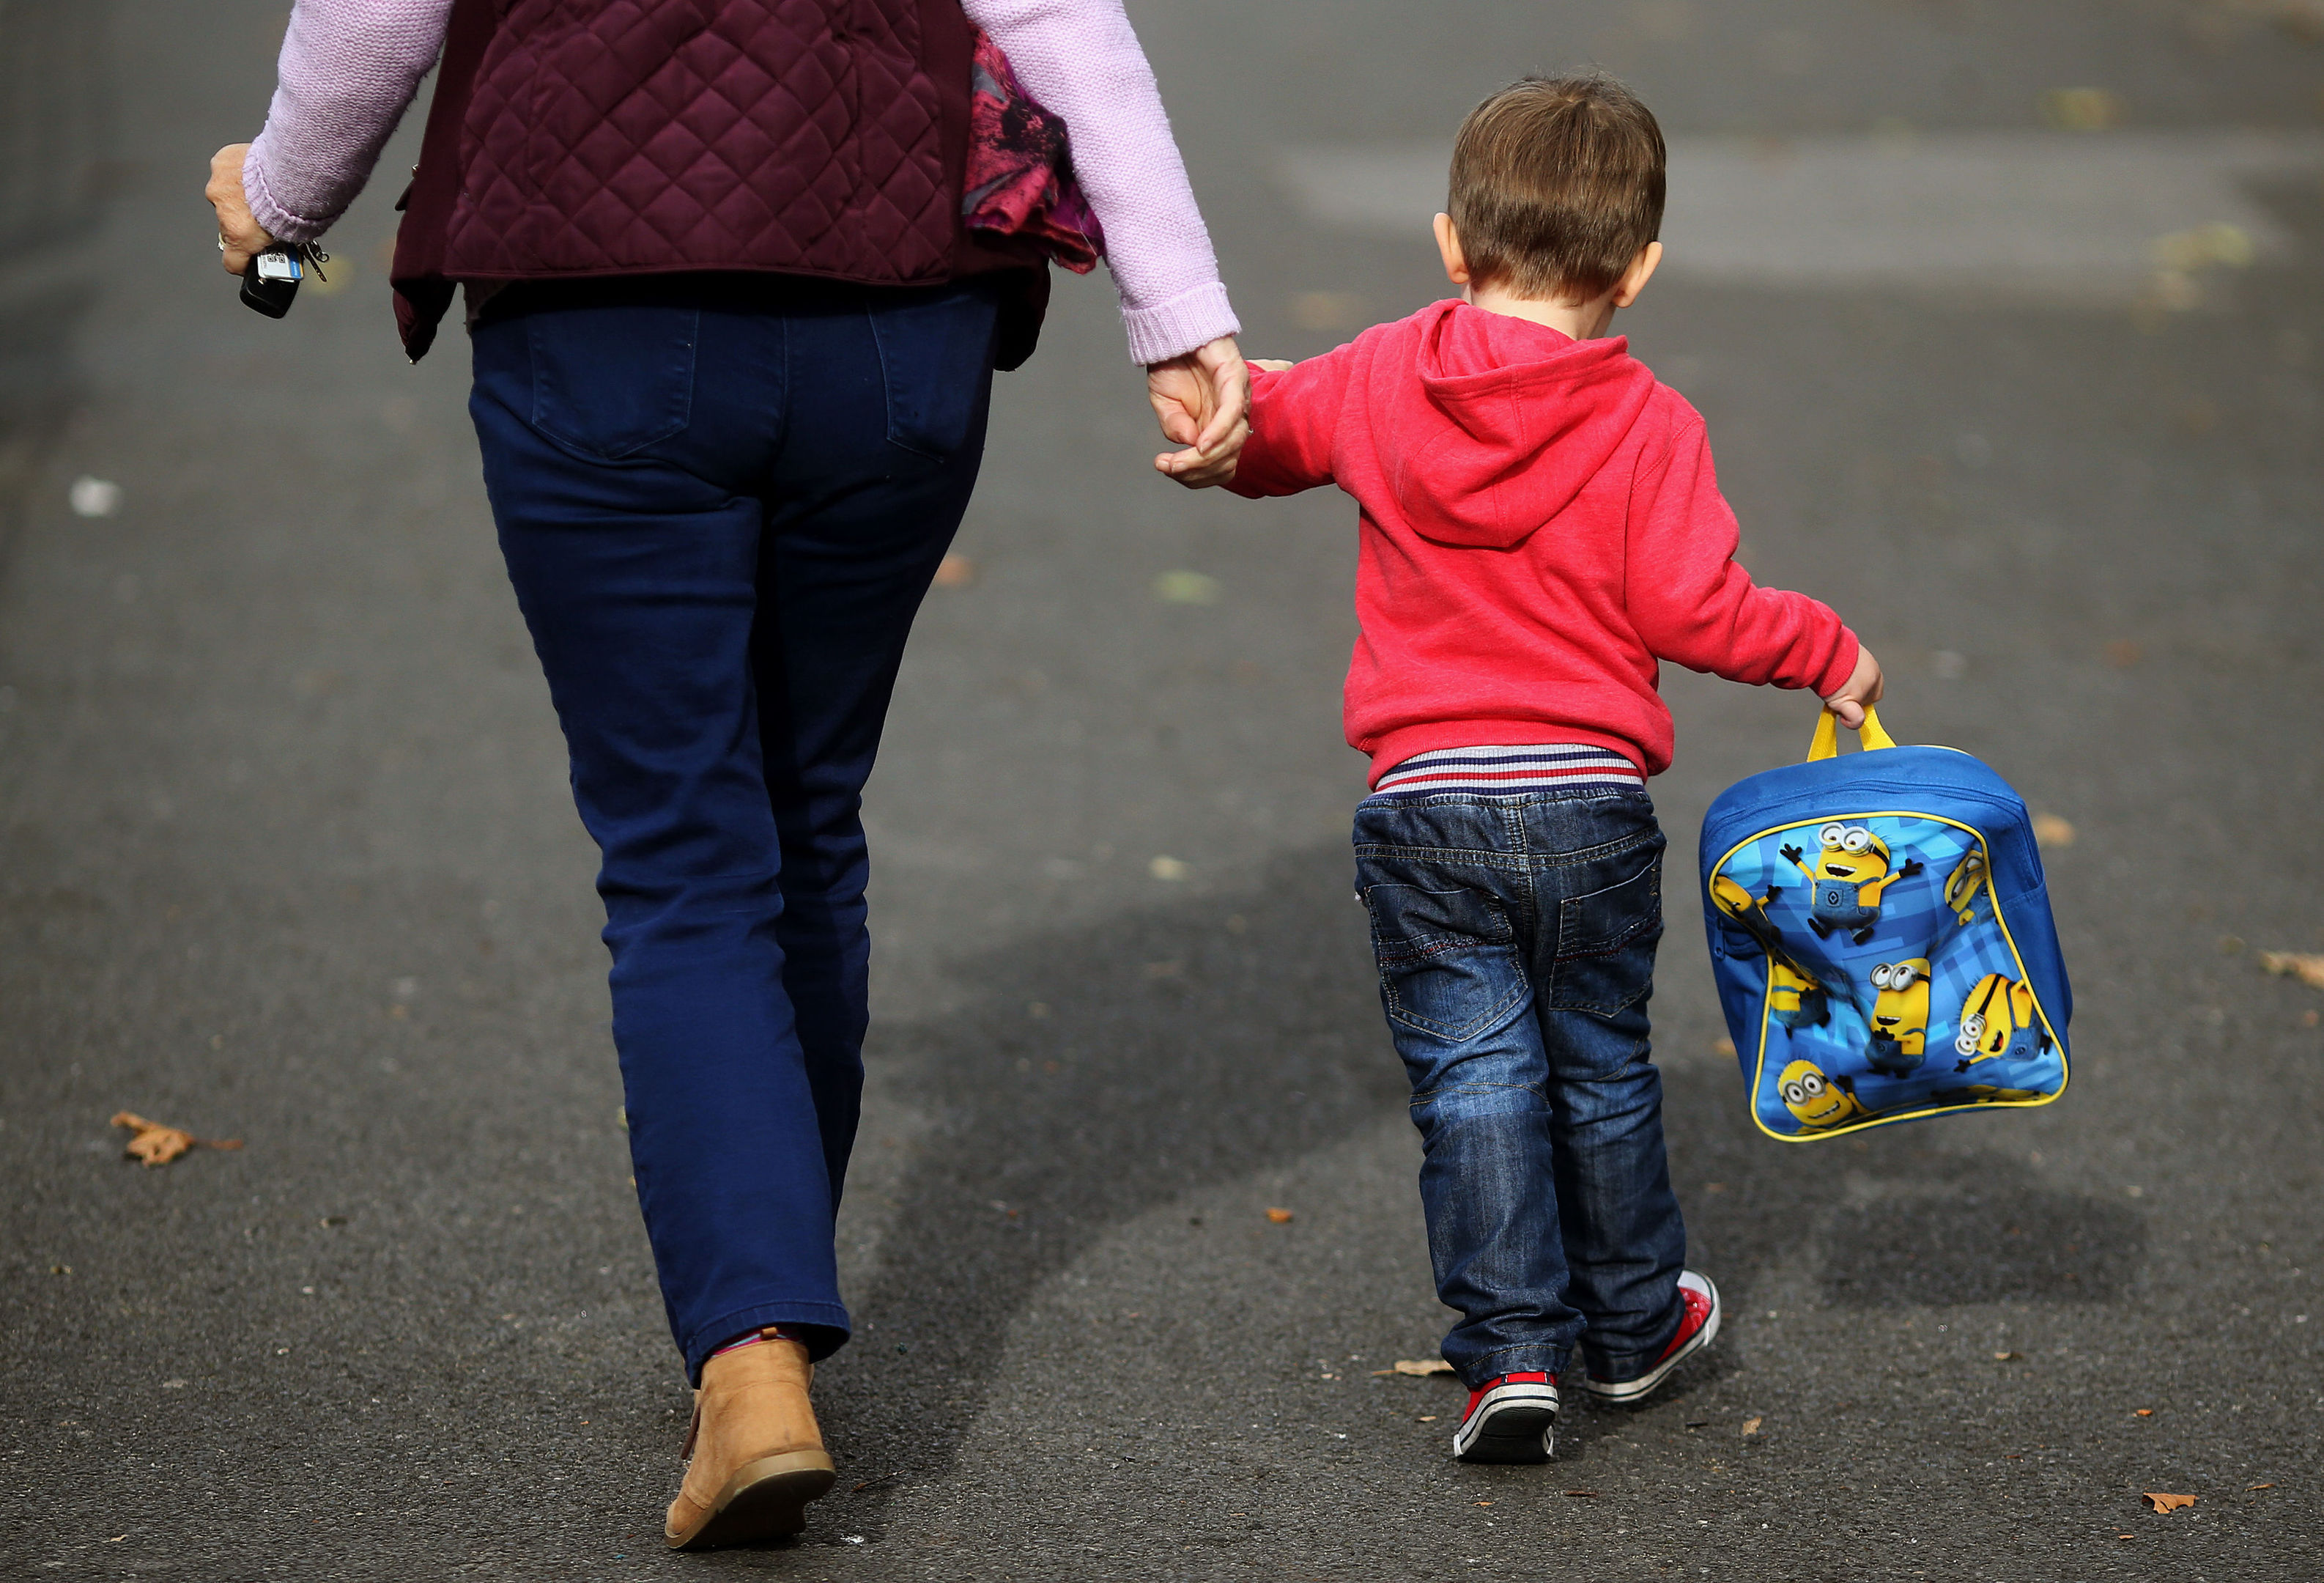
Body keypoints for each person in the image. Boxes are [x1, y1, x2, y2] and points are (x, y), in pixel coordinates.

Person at [204, 0, 1247, 1547]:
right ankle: (767, 1318)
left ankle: (750, 1362)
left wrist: (283, 196)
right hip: (895, 312)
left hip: (599, 311)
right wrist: (1175, 307)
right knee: (803, 814)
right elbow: (1057, 17)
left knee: (685, 849)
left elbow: (378, 11)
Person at [1204, 73, 1883, 1463]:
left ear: (1452, 244)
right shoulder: (1651, 423)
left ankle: (1508, 1357)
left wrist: (1222, 407)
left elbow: (1273, 434)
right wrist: (1827, 650)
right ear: (1639, 271)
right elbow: (1700, 613)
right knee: (1602, 1069)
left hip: (1427, 805)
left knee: (1473, 1083)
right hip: (1588, 804)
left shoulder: (1390, 370)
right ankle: (1633, 1327)